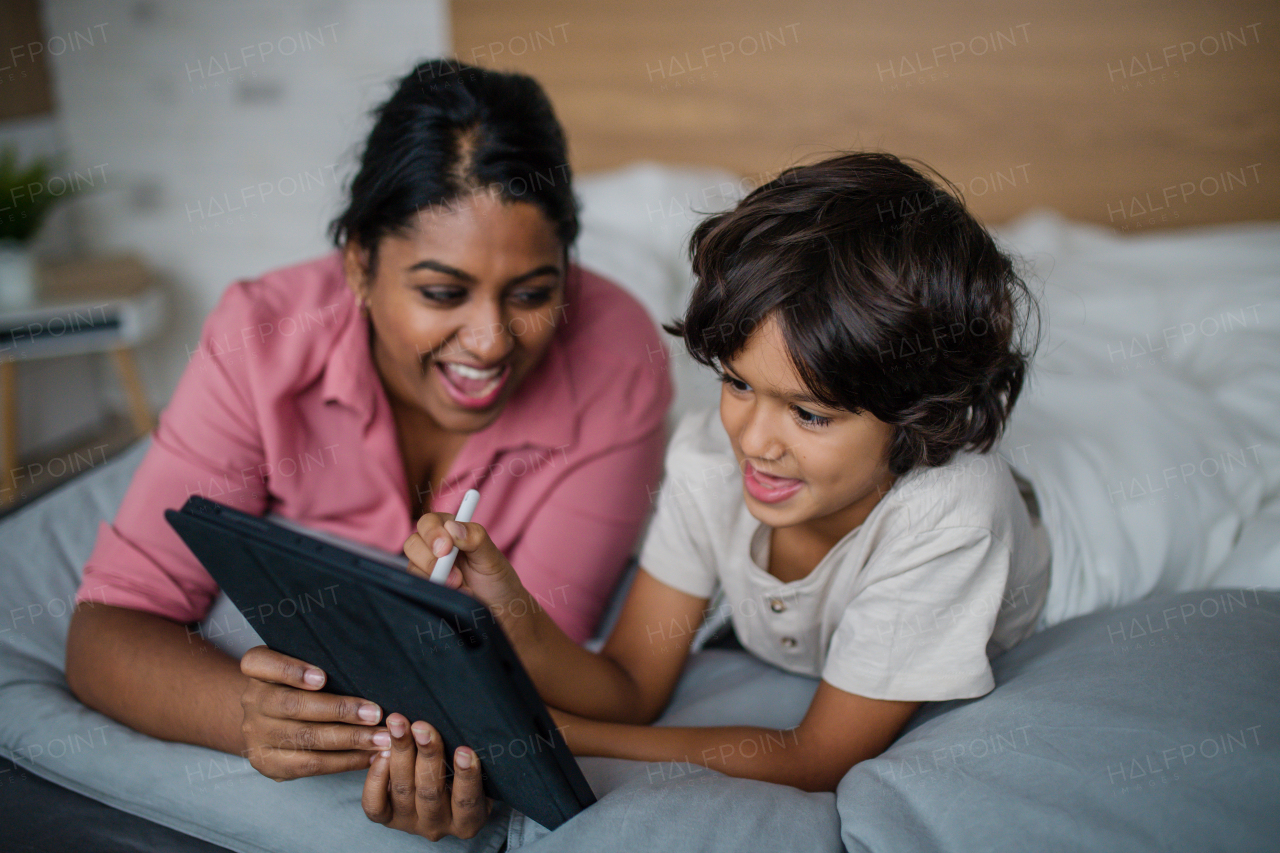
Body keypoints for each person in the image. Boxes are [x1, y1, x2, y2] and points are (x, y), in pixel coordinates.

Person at [349, 152, 1052, 842]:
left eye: (809, 413)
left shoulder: (951, 516)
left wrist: (551, 736)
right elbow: (631, 684)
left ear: (916, 412)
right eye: (738, 383)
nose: (754, 439)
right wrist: (511, 610)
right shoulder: (709, 458)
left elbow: (818, 757)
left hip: (1086, 525)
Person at [64, 59, 672, 784]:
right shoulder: (257, 339)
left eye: (532, 292)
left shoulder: (617, 358)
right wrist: (245, 713)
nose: (489, 340)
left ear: (568, 269)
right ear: (358, 263)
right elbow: (106, 628)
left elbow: (534, 659)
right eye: (443, 292)